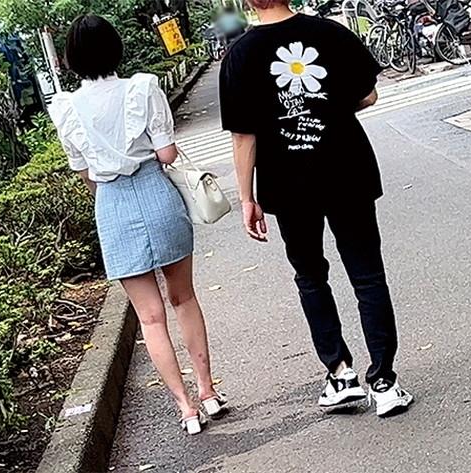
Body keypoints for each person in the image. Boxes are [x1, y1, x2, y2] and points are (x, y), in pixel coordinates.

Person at [219, 0, 414, 417]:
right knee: (367, 275)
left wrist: (247, 198)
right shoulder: (331, 33)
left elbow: (243, 136)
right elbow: (368, 94)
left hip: (288, 183)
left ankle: (341, 375)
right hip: (348, 170)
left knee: (310, 277)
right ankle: (384, 382)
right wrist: (329, 107)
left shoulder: (240, 54)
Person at [49, 14, 226, 435]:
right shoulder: (142, 88)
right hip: (156, 194)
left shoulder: (65, 107)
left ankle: (185, 409)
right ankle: (208, 392)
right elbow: (166, 155)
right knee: (183, 298)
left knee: (150, 317)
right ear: (115, 48)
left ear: (71, 58)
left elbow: (85, 173)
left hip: (112, 206)